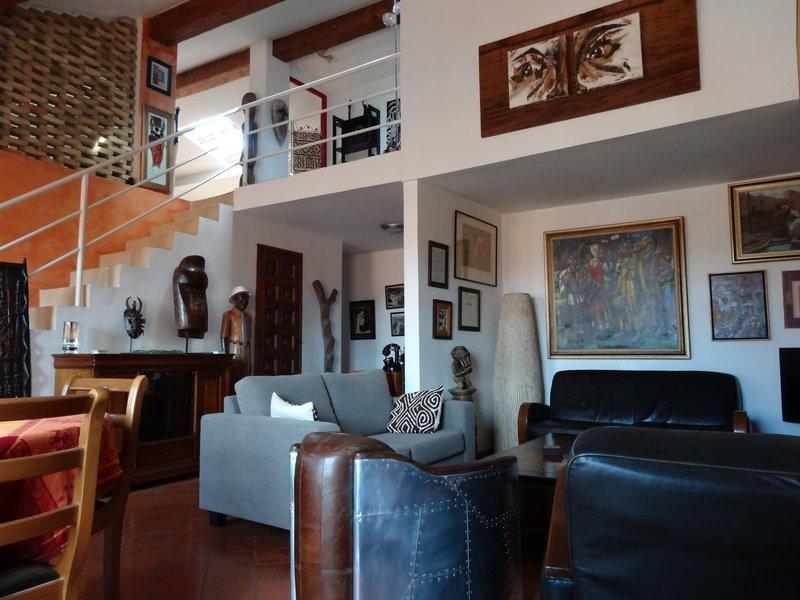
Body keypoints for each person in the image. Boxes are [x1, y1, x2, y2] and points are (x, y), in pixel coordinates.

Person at [221, 286, 252, 382]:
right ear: (235, 300)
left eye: (246, 299)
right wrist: (226, 356)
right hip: (234, 348)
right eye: (241, 299)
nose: (244, 302)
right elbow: (224, 336)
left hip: (246, 348)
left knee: (246, 373)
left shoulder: (248, 317)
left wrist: (249, 354)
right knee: (234, 373)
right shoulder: (228, 315)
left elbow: (248, 337)